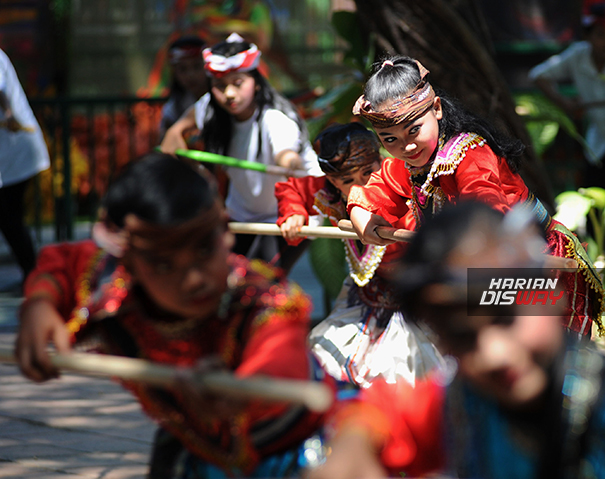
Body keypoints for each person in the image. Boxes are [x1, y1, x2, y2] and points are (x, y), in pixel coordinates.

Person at [311, 201, 605, 479]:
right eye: (463, 338)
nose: (494, 353)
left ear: (549, 294)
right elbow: (381, 410)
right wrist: (352, 445)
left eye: (505, 319)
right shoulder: (459, 404)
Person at [14, 153, 333, 478]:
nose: (194, 279)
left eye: (204, 249)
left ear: (224, 230)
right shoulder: (113, 282)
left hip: (300, 459)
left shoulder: (267, 303)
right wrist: (40, 304)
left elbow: (280, 362)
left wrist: (241, 392)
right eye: (164, 265)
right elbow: (65, 262)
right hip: (196, 451)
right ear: (131, 262)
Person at [348, 56, 605, 337]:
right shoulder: (412, 163)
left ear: (436, 109)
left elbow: (486, 210)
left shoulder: (470, 154)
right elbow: (380, 186)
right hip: (481, 266)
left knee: (536, 353)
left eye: (414, 130)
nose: (407, 146)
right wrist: (364, 218)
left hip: (531, 260)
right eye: (390, 139)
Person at [275, 123, 446, 388]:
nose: (360, 187)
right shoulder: (327, 193)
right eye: (347, 181)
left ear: (381, 160)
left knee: (407, 372)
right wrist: (294, 213)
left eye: (368, 173)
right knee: (327, 357)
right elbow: (292, 189)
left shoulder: (403, 183)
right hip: (369, 293)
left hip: (417, 292)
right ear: (332, 181)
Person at [160, 32, 322, 270]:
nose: (229, 94)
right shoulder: (211, 108)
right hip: (243, 215)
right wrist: (174, 134)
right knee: (223, 275)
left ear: (256, 81)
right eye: (219, 86)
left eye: (237, 84)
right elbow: (186, 121)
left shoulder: (275, 118)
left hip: (291, 214)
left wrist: (290, 162)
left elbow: (285, 153)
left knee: (261, 280)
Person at [529, 0, 605, 239]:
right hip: (601, 142)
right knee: (594, 210)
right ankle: (598, 269)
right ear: (588, 36)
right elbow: (538, 75)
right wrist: (564, 103)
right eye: (601, 34)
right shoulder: (577, 57)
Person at [0, 47, 50, 285]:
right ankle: (32, 273)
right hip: (10, 154)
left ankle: (33, 274)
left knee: (9, 216)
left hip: (16, 150)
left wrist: (9, 114)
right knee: (9, 216)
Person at [158, 35, 209, 139]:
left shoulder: (221, 99)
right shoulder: (173, 108)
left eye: (197, 66)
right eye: (182, 69)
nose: (190, 75)